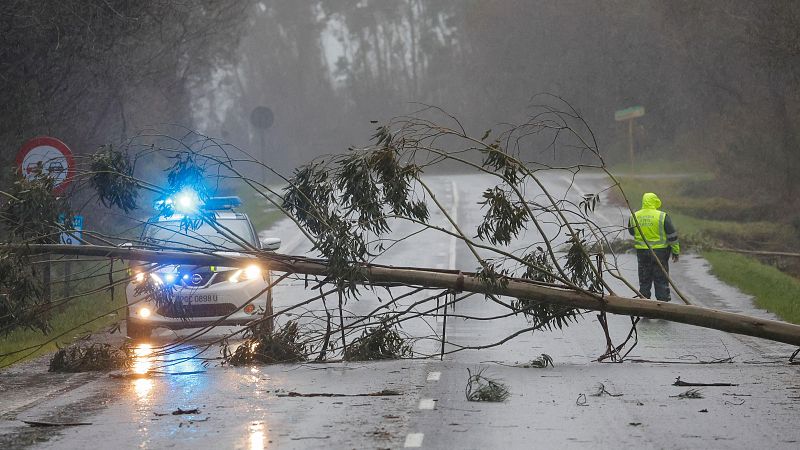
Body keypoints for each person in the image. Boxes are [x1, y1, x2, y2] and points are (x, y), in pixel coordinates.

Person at [628, 192, 680, 301]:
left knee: (644, 278)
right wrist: (676, 251)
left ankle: (644, 302)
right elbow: (672, 236)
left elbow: (632, 232)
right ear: (655, 202)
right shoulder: (662, 216)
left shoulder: (634, 216)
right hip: (660, 252)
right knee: (661, 278)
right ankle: (662, 304)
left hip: (642, 253)